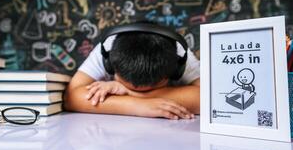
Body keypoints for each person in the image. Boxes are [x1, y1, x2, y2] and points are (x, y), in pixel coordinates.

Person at [64, 22, 200, 120]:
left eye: (150, 90)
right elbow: (71, 98)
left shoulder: (179, 54)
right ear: (109, 65)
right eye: (128, 87)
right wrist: (138, 106)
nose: (138, 92)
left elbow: (208, 98)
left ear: (177, 69)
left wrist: (128, 92)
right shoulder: (107, 48)